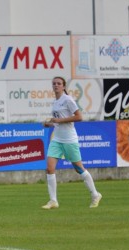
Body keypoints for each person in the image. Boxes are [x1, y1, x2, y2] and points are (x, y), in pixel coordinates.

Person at [41, 76, 102, 210]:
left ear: (63, 86)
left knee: (79, 168)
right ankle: (53, 201)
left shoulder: (68, 100)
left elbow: (79, 117)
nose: (56, 85)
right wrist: (49, 124)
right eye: (54, 84)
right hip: (57, 139)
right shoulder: (55, 102)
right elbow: (58, 120)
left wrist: (58, 121)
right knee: (50, 168)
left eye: (58, 83)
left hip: (69, 140)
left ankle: (95, 194)